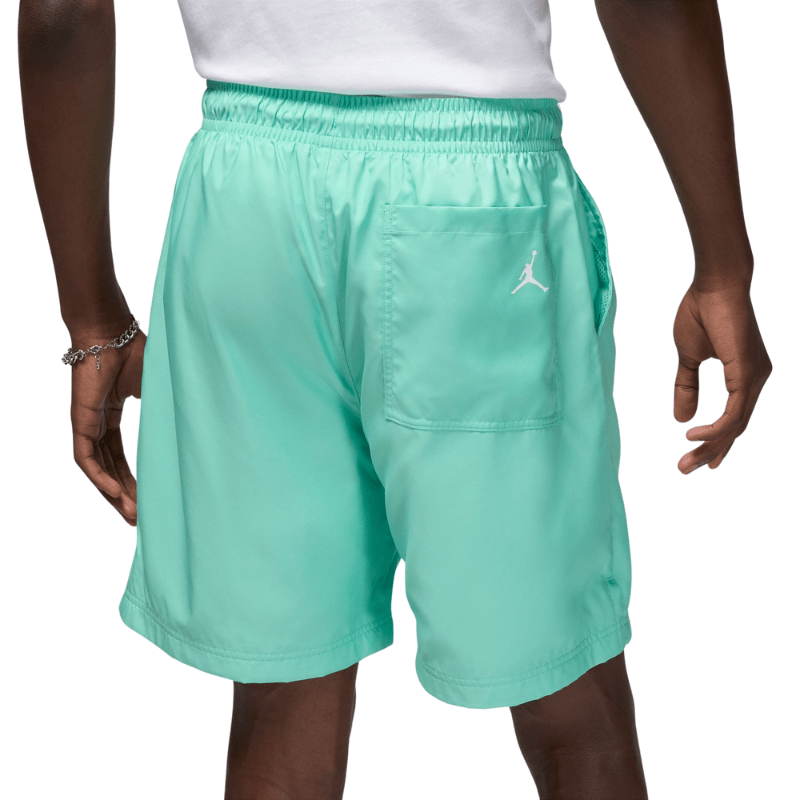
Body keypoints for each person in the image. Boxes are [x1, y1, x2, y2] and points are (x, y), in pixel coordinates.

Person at [19, 1, 771, 797]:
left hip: (242, 211)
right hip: (473, 206)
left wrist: (92, 319)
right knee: (567, 689)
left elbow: (61, 14)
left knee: (281, 691)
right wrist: (723, 264)